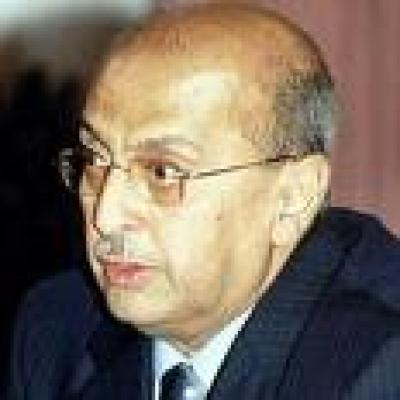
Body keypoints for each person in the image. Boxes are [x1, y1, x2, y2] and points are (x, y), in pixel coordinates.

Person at [5, 3, 400, 399]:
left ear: (294, 196)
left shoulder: (381, 363)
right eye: (94, 160)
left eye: (162, 172)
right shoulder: (55, 329)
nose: (105, 216)